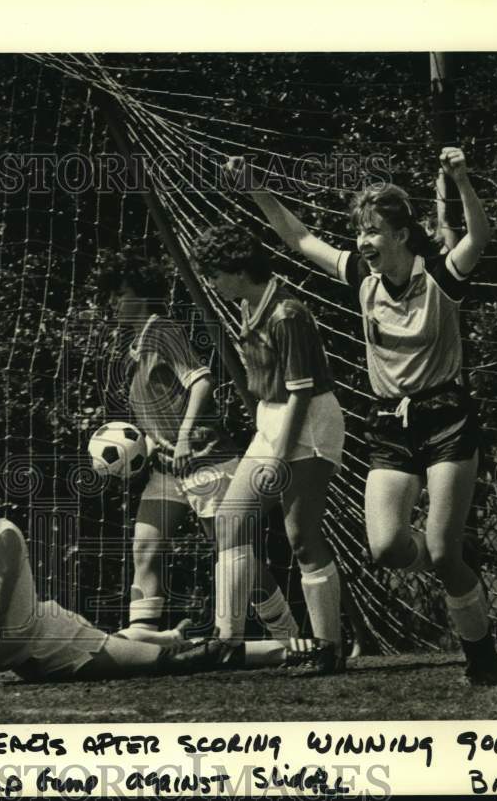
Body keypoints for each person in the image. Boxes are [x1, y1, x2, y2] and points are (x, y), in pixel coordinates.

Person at [230, 147, 497, 685]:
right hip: (390, 425)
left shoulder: (442, 278)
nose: (363, 242)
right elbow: (300, 239)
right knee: (385, 547)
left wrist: (463, 181)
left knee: (445, 554)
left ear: (401, 235)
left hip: (446, 419)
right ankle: (451, 554)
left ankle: (482, 654)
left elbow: (479, 236)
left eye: (373, 231)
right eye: (359, 232)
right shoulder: (361, 277)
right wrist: (257, 189)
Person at [0, 476, 337, 686]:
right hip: (30, 658)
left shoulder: (2, 536)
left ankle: (295, 648)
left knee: (182, 662)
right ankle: (164, 634)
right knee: (138, 648)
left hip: (54, 643)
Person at [98, 251, 299, 645]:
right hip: (168, 469)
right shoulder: (134, 347)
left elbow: (201, 381)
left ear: (142, 295)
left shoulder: (162, 331)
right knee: (145, 542)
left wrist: (187, 435)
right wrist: (152, 441)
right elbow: (156, 409)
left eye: (119, 294)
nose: (112, 303)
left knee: (235, 554)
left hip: (207, 462)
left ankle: (287, 634)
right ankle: (142, 635)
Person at [189, 225, 347, 671]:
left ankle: (327, 649)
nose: (211, 283)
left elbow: (300, 391)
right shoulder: (247, 305)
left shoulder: (286, 313)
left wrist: (280, 453)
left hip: (309, 423)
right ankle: (227, 640)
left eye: (215, 273)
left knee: (301, 538)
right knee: (230, 519)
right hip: (272, 419)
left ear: (239, 270)